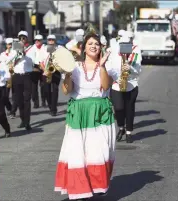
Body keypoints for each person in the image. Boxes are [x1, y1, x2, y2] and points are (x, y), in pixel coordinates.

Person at [54, 29, 117, 200]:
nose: (94, 46)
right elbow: (67, 91)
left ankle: (96, 186)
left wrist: (102, 65)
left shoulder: (108, 66)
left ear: (101, 47)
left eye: (97, 44)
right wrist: (67, 74)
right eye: (90, 44)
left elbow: (105, 86)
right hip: (79, 113)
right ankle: (80, 190)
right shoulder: (74, 67)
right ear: (83, 48)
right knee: (78, 154)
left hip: (100, 113)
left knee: (98, 152)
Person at [109, 31, 142, 143]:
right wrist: (116, 77)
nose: (124, 47)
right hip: (117, 84)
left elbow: (138, 70)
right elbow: (109, 67)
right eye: (122, 44)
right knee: (118, 108)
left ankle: (128, 132)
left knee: (129, 109)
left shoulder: (135, 51)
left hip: (131, 84)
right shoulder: (114, 50)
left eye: (127, 44)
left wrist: (130, 68)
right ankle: (121, 127)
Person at [11, 30, 36, 130]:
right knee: (18, 99)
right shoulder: (14, 48)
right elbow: (11, 62)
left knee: (27, 100)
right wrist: (18, 54)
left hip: (27, 76)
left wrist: (24, 53)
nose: (22, 39)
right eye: (20, 37)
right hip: (17, 76)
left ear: (27, 39)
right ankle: (22, 119)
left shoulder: (32, 49)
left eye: (24, 37)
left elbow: (33, 62)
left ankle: (27, 122)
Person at [39, 34, 62, 116]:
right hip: (46, 71)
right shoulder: (43, 49)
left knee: (55, 90)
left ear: (55, 40)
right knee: (46, 91)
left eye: (52, 40)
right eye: (49, 40)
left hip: (56, 72)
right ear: (47, 40)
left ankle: (54, 109)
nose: (51, 41)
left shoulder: (59, 48)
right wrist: (45, 69)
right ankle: (50, 105)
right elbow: (40, 62)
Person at [0, 38, 17, 117]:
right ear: (6, 45)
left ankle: (13, 111)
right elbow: (1, 65)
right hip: (6, 76)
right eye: (8, 44)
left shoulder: (16, 53)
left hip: (15, 75)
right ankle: (10, 108)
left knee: (15, 96)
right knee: (5, 96)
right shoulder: (2, 54)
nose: (10, 46)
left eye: (11, 44)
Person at [32, 34, 47, 108]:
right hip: (35, 67)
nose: (37, 41)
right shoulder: (32, 48)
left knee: (43, 85)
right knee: (34, 86)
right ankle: (36, 102)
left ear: (41, 41)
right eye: (36, 40)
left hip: (43, 67)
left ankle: (43, 101)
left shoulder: (45, 47)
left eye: (39, 40)